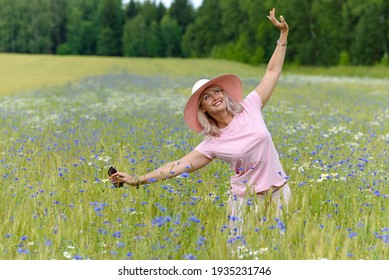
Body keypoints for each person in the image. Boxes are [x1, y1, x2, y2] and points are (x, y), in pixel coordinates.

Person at [110, 8, 290, 234]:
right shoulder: (213, 142)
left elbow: (272, 72)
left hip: (279, 194)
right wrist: (138, 179)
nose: (214, 97)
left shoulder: (250, 106)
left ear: (225, 94)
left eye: (216, 91)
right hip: (245, 204)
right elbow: (175, 167)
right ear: (202, 109)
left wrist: (282, 36)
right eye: (206, 97)